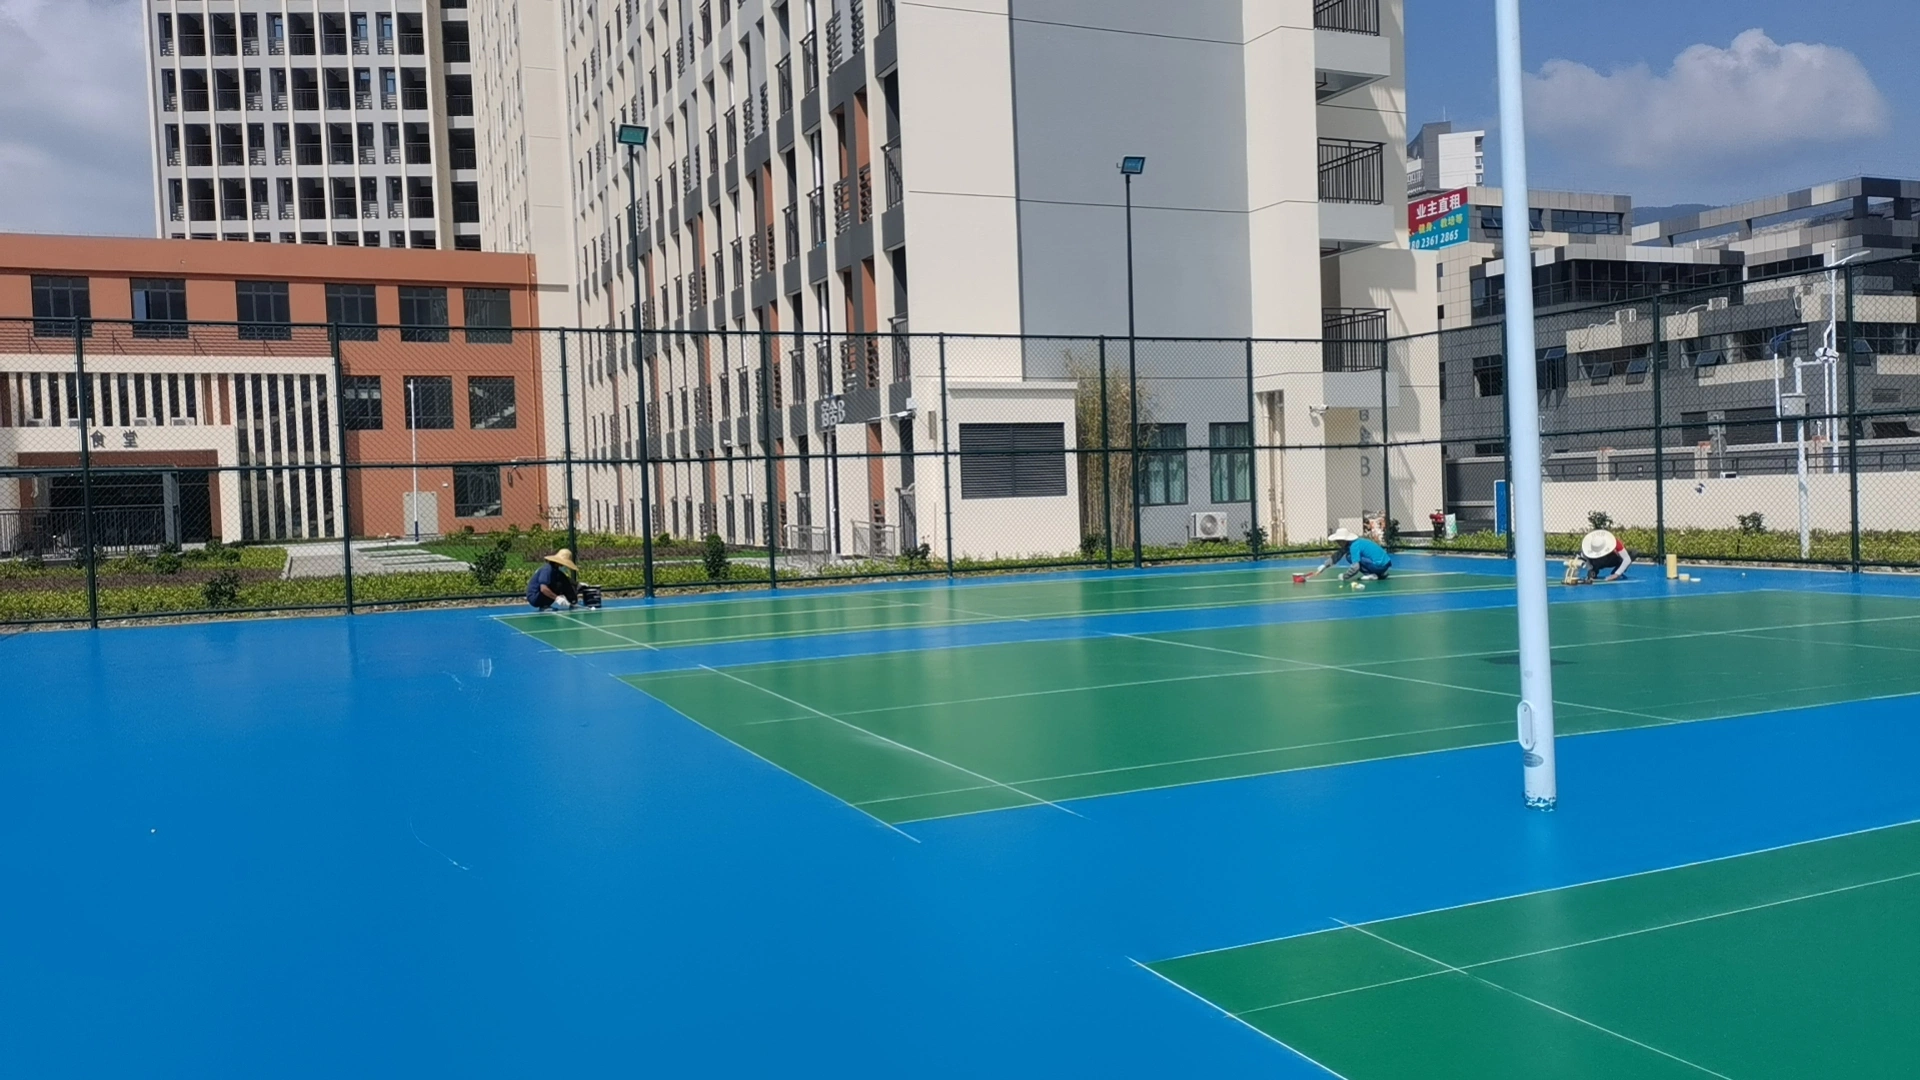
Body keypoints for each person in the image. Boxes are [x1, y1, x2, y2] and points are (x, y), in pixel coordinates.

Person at [1308, 527, 1392, 582]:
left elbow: (1355, 567)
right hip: (1384, 565)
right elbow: (1338, 554)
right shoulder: (1353, 543)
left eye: (1339, 541)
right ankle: (1378, 574)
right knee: (1350, 556)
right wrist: (1324, 565)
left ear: (1344, 540)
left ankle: (1370, 574)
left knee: (1349, 557)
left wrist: (1345, 576)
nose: (1338, 543)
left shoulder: (1354, 546)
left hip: (1379, 566)